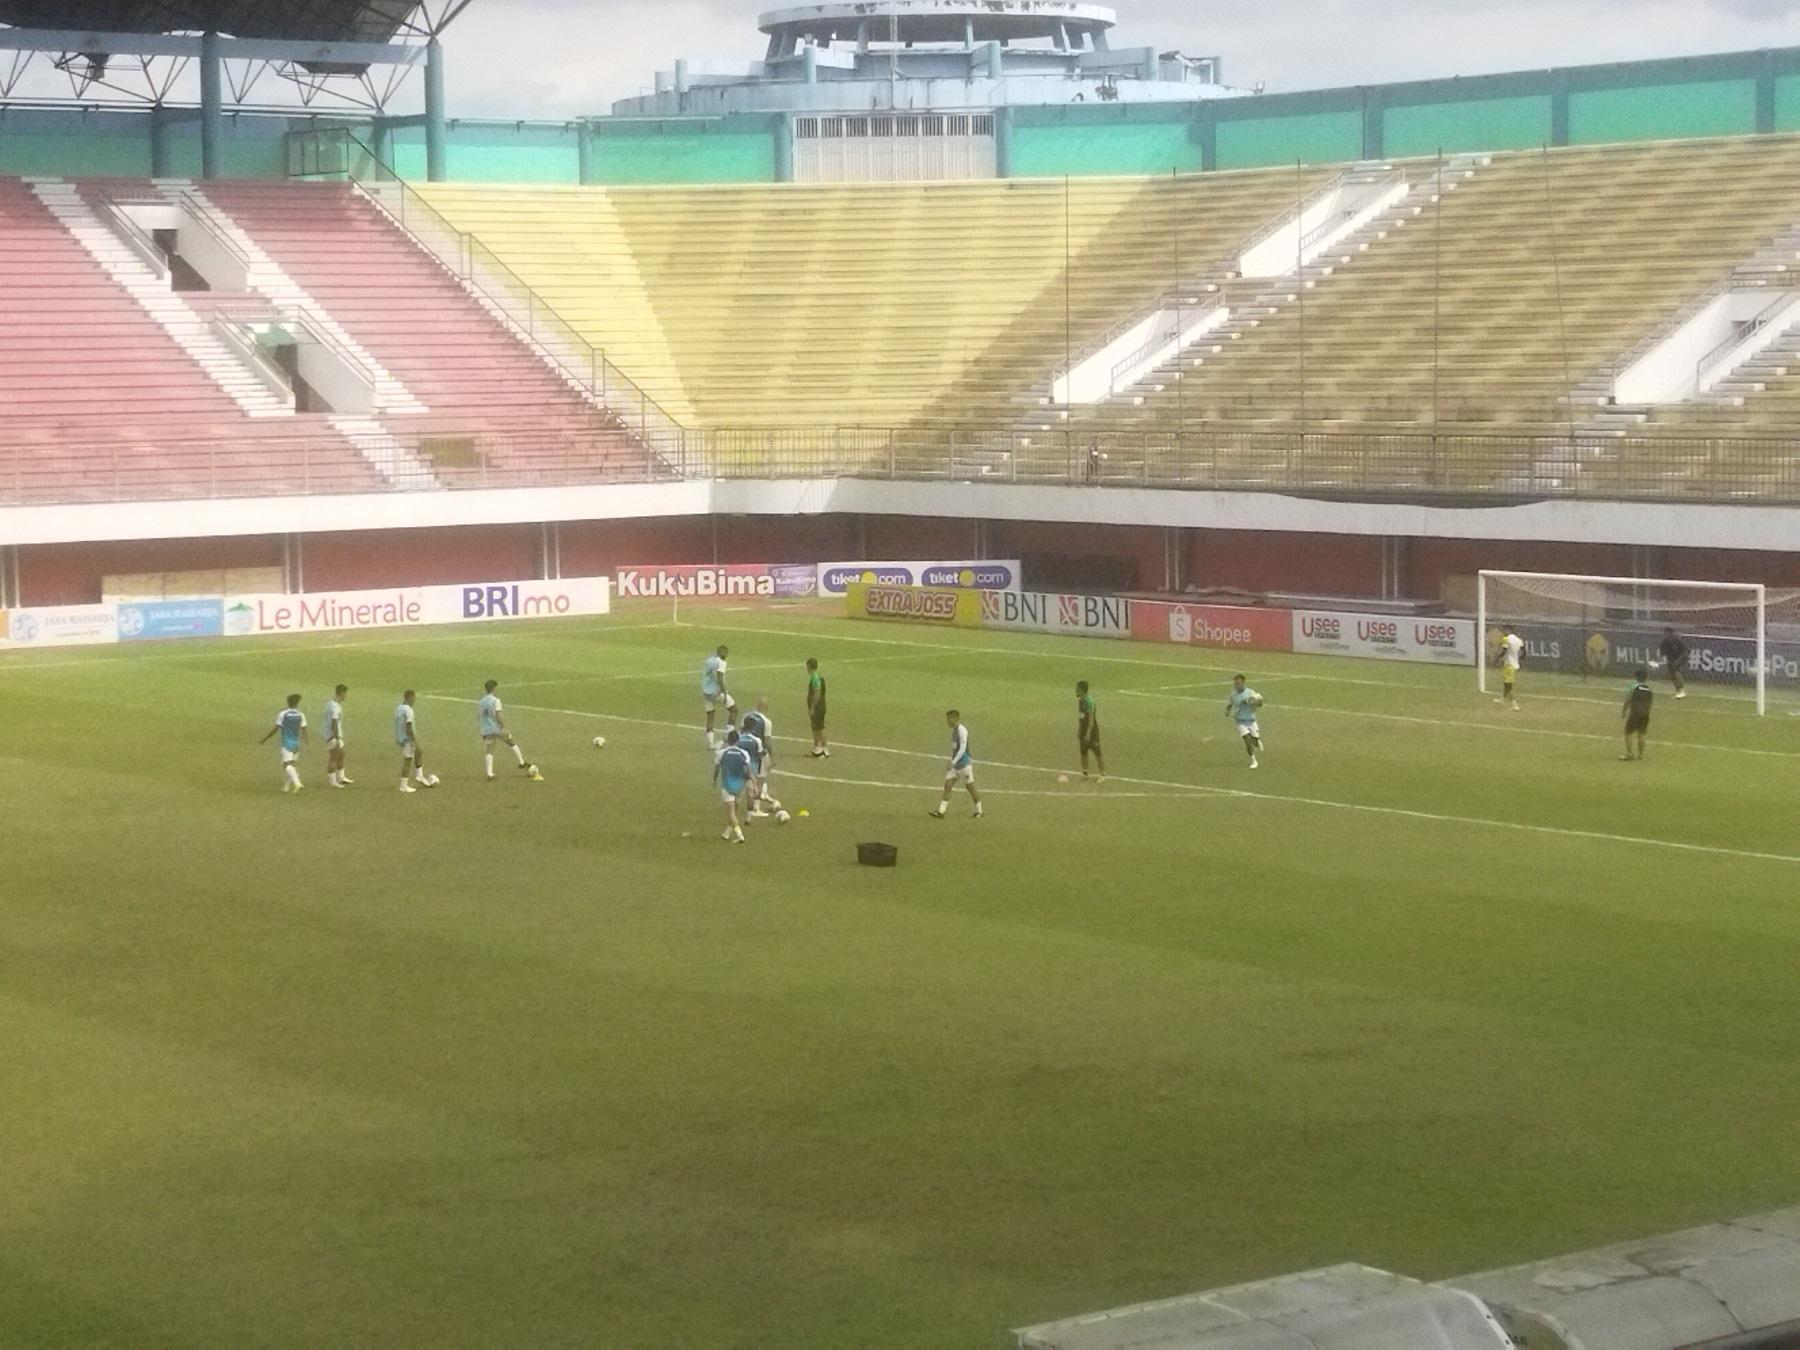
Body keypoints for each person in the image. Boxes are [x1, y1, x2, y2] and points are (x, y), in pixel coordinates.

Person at [478, 679, 542, 781]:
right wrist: (504, 727)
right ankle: (521, 762)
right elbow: (499, 714)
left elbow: (480, 716)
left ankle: (489, 774)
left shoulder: (482, 701)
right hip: (497, 728)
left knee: (489, 750)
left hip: (486, 728)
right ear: (494, 688)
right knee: (511, 742)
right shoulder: (496, 700)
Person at [930, 709, 982, 819]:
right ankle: (941, 812)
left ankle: (980, 811)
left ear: (954, 718)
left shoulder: (962, 730)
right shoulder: (955, 730)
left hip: (964, 765)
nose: (947, 721)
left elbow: (963, 749)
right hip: (956, 766)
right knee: (948, 785)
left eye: (948, 719)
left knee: (970, 787)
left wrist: (953, 762)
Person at [258, 693, 308, 793]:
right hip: (296, 744)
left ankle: (297, 782)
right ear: (297, 703)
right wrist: (307, 744)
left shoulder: (283, 714)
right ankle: (286, 787)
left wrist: (266, 738)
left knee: (287, 766)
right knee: (292, 766)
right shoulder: (301, 715)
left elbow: (276, 728)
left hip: (287, 744)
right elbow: (304, 730)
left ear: (288, 702)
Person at [713, 728, 752, 843]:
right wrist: (750, 782)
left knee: (731, 812)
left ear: (728, 740)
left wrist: (715, 779)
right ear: (738, 740)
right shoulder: (744, 754)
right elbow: (748, 771)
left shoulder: (722, 753)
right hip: (740, 786)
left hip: (727, 786)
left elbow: (716, 767)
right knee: (735, 810)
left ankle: (740, 835)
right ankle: (727, 832)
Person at [742, 697, 781, 813]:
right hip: (759, 753)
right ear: (766, 708)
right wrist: (772, 757)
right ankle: (756, 808)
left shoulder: (746, 716)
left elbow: (741, 732)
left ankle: (746, 802)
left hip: (745, 752)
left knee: (749, 779)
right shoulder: (766, 722)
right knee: (760, 780)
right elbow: (767, 741)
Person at [1226, 674, 1264, 770]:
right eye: (1235, 684)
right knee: (1246, 739)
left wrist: (1253, 702)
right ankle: (1254, 761)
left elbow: (1260, 703)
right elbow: (1230, 704)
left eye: (1238, 683)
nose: (1236, 685)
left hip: (1251, 720)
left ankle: (1257, 739)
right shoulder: (1233, 695)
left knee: (1254, 742)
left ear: (1243, 683)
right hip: (1240, 721)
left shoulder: (1250, 693)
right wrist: (1227, 711)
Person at [394, 689, 429, 793]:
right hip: (407, 739)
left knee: (418, 754)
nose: (414, 701)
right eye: (413, 699)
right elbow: (409, 727)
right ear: (409, 697)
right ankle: (403, 786)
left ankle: (420, 776)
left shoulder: (399, 708)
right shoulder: (408, 710)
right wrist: (414, 742)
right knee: (408, 761)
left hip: (401, 738)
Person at [702, 645, 736, 747]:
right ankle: (729, 736)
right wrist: (724, 691)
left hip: (706, 692)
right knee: (734, 710)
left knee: (710, 715)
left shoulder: (709, 660)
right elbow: (719, 676)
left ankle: (711, 743)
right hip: (716, 692)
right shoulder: (722, 663)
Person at [737, 715, 770, 818]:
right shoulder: (756, 740)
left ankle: (734, 813)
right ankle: (749, 817)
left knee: (738, 793)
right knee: (750, 793)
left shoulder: (739, 738)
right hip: (753, 768)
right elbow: (760, 754)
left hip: (740, 767)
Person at [1622, 666, 1654, 761]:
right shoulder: (1649, 689)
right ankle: (1640, 755)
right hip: (1645, 714)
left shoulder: (1633, 687)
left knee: (1628, 733)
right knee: (1642, 733)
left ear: (1636, 677)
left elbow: (1628, 700)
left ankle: (1630, 754)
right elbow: (1650, 703)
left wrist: (1624, 711)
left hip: (1635, 713)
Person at [323, 684, 352, 787]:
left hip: (333, 734)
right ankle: (333, 781)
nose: (346, 696)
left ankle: (341, 777)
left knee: (341, 754)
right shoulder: (335, 707)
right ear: (341, 693)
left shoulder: (330, 704)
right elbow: (334, 722)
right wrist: (336, 738)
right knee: (334, 757)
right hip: (333, 735)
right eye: (345, 694)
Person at [1076, 679, 1105, 781]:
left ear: (1082, 690)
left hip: (1092, 731)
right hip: (1084, 730)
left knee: (1097, 751)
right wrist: (1080, 729)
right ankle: (1085, 773)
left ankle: (1102, 775)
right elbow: (1081, 716)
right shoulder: (1080, 700)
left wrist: (1088, 733)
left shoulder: (1089, 702)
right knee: (1083, 751)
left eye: (1077, 689)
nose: (1076, 690)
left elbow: (1091, 719)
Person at [806, 657, 829, 758]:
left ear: (809, 667)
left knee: (819, 727)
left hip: (818, 707)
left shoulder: (815, 678)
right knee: (815, 727)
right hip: (820, 706)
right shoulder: (818, 676)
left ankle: (824, 748)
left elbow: (817, 693)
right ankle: (817, 748)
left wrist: (812, 707)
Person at [1496, 625, 1524, 710]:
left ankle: (1514, 704)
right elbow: (1524, 651)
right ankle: (1502, 699)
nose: (1503, 632)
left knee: (1508, 685)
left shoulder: (1506, 639)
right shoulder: (1519, 640)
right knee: (1506, 683)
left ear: (1508, 630)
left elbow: (1504, 651)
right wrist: (1520, 659)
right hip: (1515, 664)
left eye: (1504, 630)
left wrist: (1497, 659)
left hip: (1508, 664)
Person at [1658, 627, 1690, 699]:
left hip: (1681, 658)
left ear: (1671, 634)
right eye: (1665, 634)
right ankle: (1678, 691)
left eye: (1667, 633)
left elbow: (1686, 652)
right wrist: (1659, 661)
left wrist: (1678, 661)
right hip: (1671, 659)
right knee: (1671, 675)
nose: (1665, 635)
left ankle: (1682, 691)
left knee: (1676, 672)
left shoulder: (1678, 641)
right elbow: (1661, 653)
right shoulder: (1664, 642)